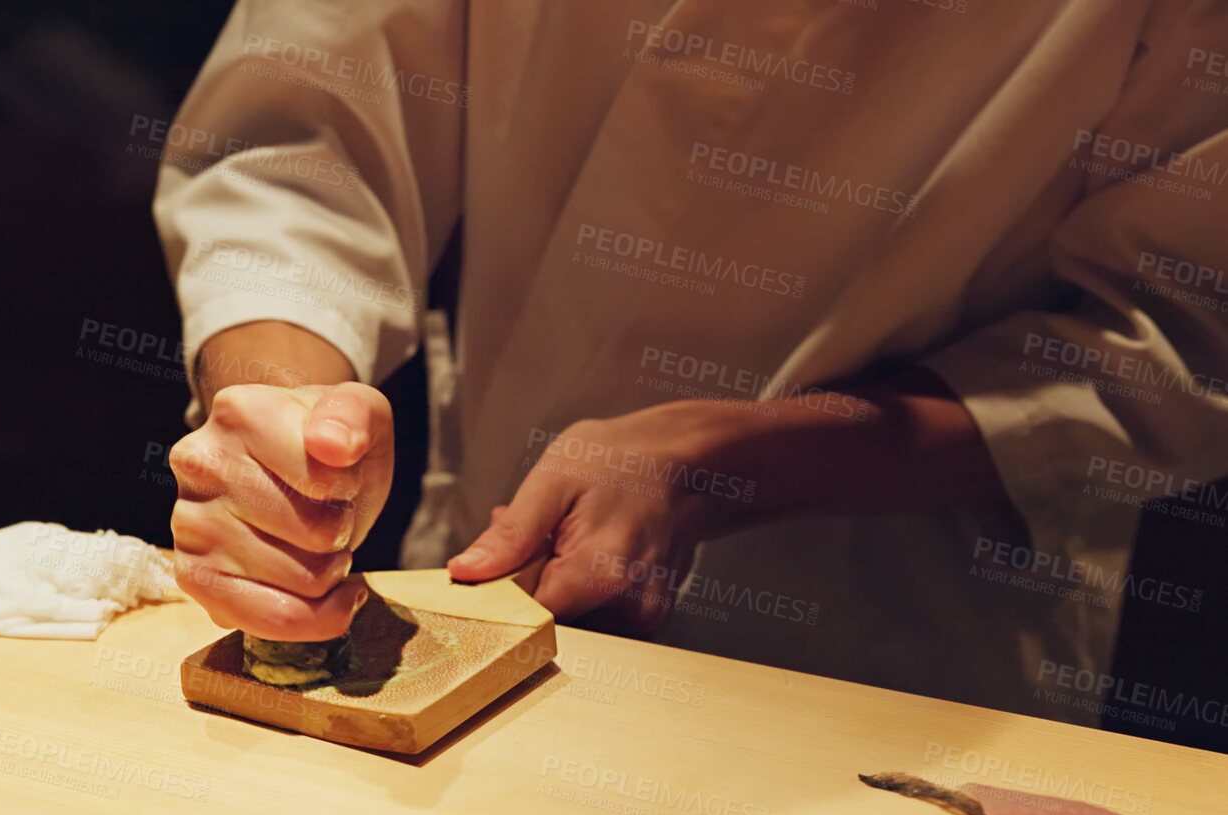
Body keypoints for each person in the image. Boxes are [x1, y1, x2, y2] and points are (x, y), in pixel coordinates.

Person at [153, 1, 1228, 721]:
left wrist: (731, 456)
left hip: (899, 659)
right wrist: (285, 416)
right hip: (478, 592)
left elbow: (1176, 340)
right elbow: (299, 139)